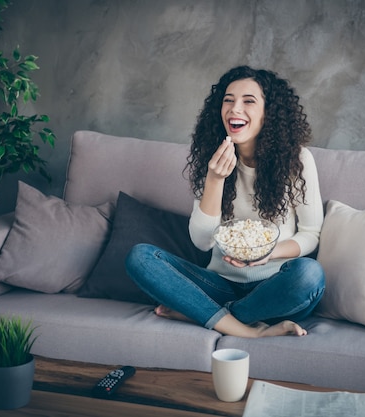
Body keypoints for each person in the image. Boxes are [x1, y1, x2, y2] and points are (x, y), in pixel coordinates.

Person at [125, 65, 325, 338]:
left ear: (269, 113)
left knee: (310, 275)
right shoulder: (213, 158)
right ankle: (247, 330)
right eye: (228, 100)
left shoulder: (297, 161)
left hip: (275, 288)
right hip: (220, 284)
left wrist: (270, 253)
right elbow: (203, 241)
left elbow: (311, 234)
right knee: (141, 257)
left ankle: (202, 312)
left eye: (248, 101)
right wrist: (215, 179)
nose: (234, 109)